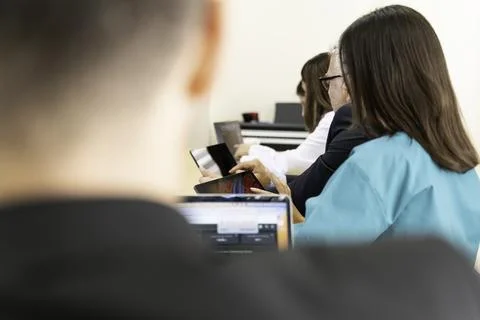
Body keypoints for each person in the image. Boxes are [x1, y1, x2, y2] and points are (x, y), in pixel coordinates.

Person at [1, 1, 480, 319]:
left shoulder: (378, 161)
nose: (340, 87)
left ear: (375, 77)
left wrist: (220, 225)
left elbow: (305, 246)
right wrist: (275, 193)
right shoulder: (460, 164)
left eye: (344, 74)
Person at [293, 5, 480, 262]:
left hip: (377, 300)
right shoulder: (462, 165)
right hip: (445, 301)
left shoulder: (379, 161)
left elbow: (312, 250)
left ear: (368, 78)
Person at [233, 48, 371, 215]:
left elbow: (304, 183)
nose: (327, 90)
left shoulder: (344, 119)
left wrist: (233, 194)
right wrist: (269, 179)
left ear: (347, 87)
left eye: (327, 82)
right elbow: (314, 179)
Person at [234, 53, 335, 177]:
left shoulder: (331, 119)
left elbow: (296, 163)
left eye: (306, 93)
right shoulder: (333, 118)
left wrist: (253, 150)